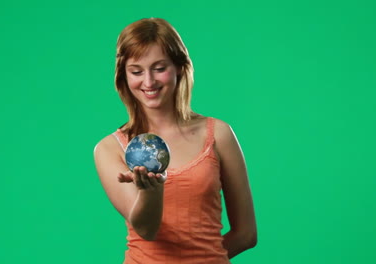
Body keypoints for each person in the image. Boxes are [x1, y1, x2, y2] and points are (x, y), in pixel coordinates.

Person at [94, 18, 257, 264]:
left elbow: (246, 235)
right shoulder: (109, 149)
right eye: (136, 71)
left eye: (159, 68)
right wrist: (153, 189)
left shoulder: (219, 134)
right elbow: (147, 230)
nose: (148, 82)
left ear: (179, 67)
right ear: (124, 76)